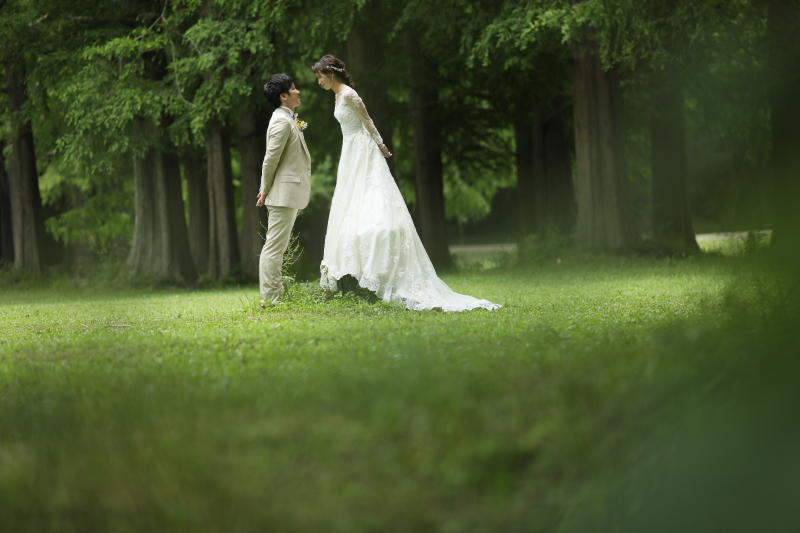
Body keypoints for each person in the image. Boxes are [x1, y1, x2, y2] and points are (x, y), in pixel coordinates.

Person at [312, 55, 500, 312]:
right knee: (349, 201)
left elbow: (367, 122)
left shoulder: (350, 95)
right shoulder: (336, 96)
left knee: (372, 196)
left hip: (362, 148)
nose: (318, 81)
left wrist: (381, 146)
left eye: (320, 76)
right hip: (349, 151)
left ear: (330, 75)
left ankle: (379, 270)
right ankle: (350, 268)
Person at [256, 74, 312, 304]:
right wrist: (265, 189)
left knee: (277, 247)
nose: (298, 91)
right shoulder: (281, 121)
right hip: (282, 194)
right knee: (274, 248)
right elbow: (271, 159)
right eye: (294, 88)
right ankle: (270, 298)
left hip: (286, 194)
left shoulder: (288, 118)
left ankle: (275, 294)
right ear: (283, 96)